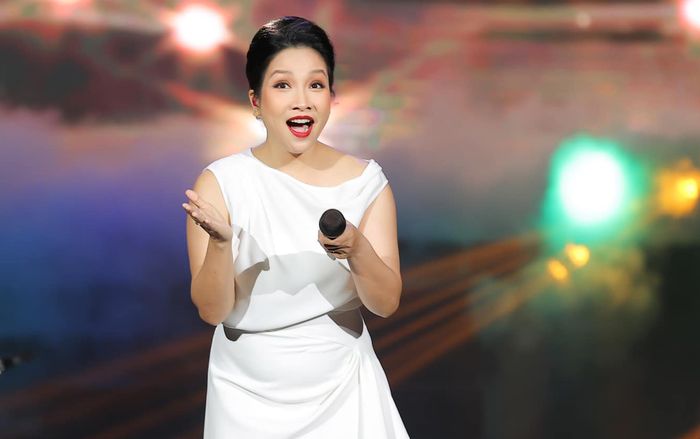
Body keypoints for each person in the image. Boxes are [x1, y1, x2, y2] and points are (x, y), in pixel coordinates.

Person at [182, 16, 409, 438]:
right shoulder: (221, 184)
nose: (302, 101)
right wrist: (222, 245)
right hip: (244, 394)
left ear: (332, 97)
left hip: (343, 387)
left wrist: (357, 249)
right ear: (255, 100)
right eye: (283, 85)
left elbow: (385, 303)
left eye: (316, 85)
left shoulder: (366, 183)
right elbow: (212, 311)